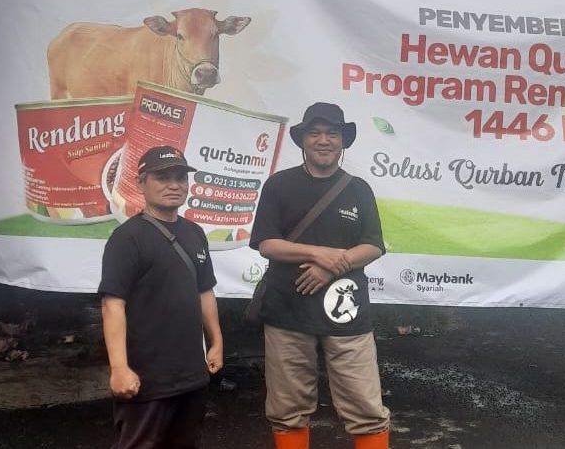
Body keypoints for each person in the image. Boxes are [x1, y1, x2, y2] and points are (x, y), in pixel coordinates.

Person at [250, 102, 390, 449]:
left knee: (366, 408)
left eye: (332, 134)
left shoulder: (358, 189)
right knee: (287, 409)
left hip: (347, 312)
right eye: (315, 133)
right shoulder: (279, 185)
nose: (323, 140)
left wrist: (332, 265)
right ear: (303, 140)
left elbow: (373, 246)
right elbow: (266, 244)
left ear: (342, 141)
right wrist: (317, 253)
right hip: (287, 310)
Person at [98, 146, 223, 449]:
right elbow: (112, 305)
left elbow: (205, 291)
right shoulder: (127, 238)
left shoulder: (194, 233)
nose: (174, 185)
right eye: (162, 178)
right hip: (147, 377)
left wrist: (217, 342)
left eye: (180, 177)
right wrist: (119, 369)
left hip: (191, 373)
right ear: (141, 184)